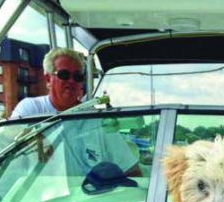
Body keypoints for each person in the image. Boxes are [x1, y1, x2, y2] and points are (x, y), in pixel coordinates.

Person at [10, 47, 142, 177]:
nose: (71, 81)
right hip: (44, 196)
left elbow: (131, 169)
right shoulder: (31, 109)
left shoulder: (96, 119)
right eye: (64, 75)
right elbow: (7, 139)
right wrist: (34, 137)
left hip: (90, 195)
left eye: (77, 76)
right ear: (48, 79)